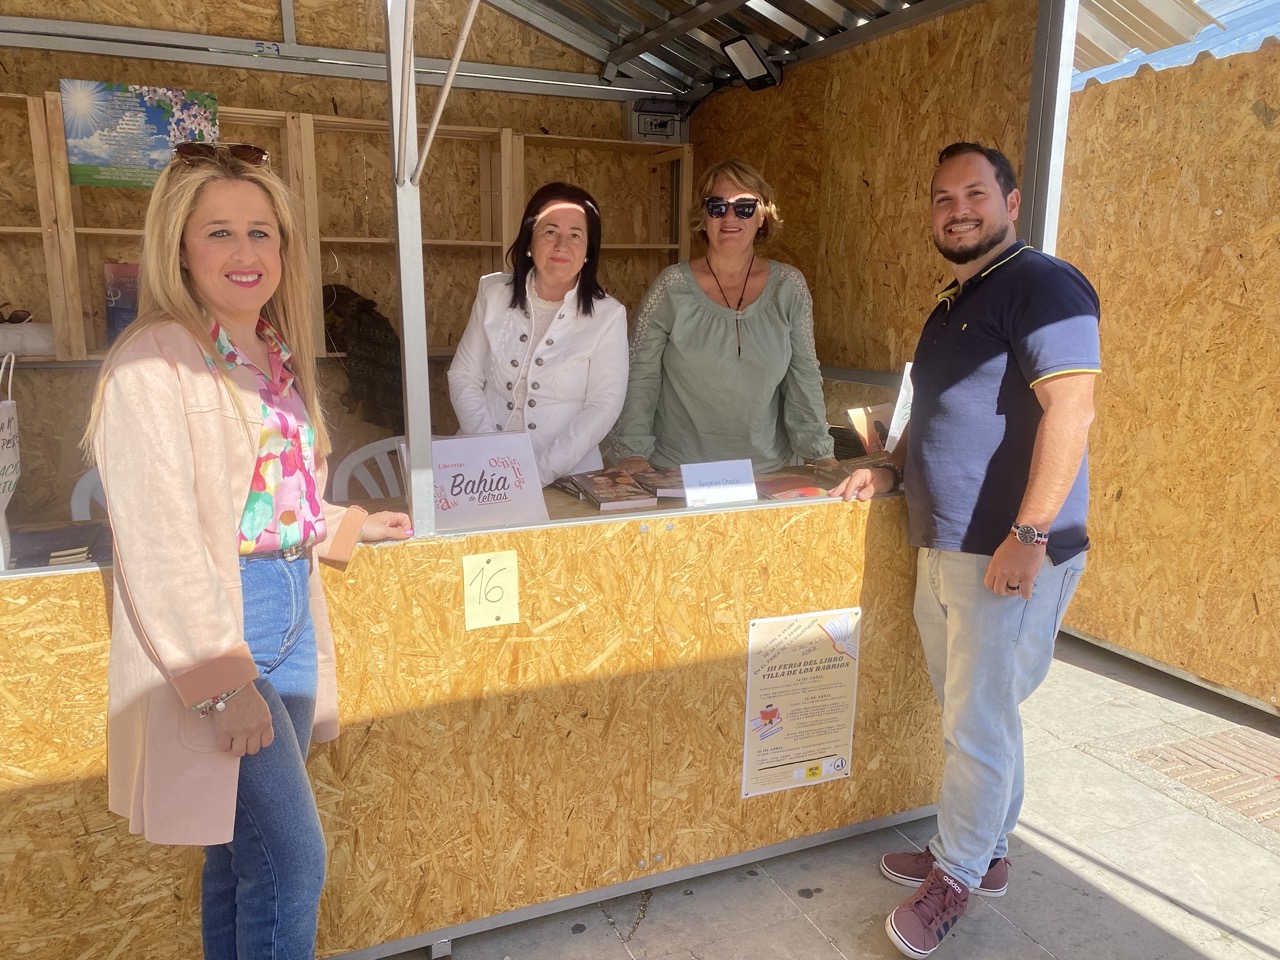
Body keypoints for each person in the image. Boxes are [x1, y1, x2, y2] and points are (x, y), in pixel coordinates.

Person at [83, 141, 413, 959]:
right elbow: (159, 544)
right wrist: (220, 681)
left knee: (244, 861)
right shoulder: (151, 364)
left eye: (261, 232)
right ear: (179, 247)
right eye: (219, 232)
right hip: (227, 629)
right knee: (293, 865)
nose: (245, 252)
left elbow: (268, 499)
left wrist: (347, 525)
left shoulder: (272, 353)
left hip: (290, 613)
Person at [832, 142, 1100, 959]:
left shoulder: (1044, 285)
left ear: (1010, 203)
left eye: (975, 194)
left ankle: (954, 875)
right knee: (976, 715)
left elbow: (1072, 411)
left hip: (1003, 550)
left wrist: (1029, 534)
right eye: (943, 198)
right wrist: (889, 466)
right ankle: (985, 850)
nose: (958, 211)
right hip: (948, 542)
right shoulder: (956, 300)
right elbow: (934, 409)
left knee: (978, 722)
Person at [609, 159, 836, 475]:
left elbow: (804, 375)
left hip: (766, 472)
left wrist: (821, 454)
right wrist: (633, 452)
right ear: (703, 217)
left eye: (744, 207)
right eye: (717, 206)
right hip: (678, 472)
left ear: (762, 216)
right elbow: (640, 374)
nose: (730, 217)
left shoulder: (789, 286)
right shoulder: (671, 286)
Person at [447, 182, 628, 485]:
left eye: (575, 235)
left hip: (566, 477)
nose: (562, 245)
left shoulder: (608, 315)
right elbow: (463, 375)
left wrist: (538, 472)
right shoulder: (493, 293)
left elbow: (603, 405)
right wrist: (490, 453)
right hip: (480, 471)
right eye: (550, 231)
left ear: (588, 251)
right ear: (529, 242)